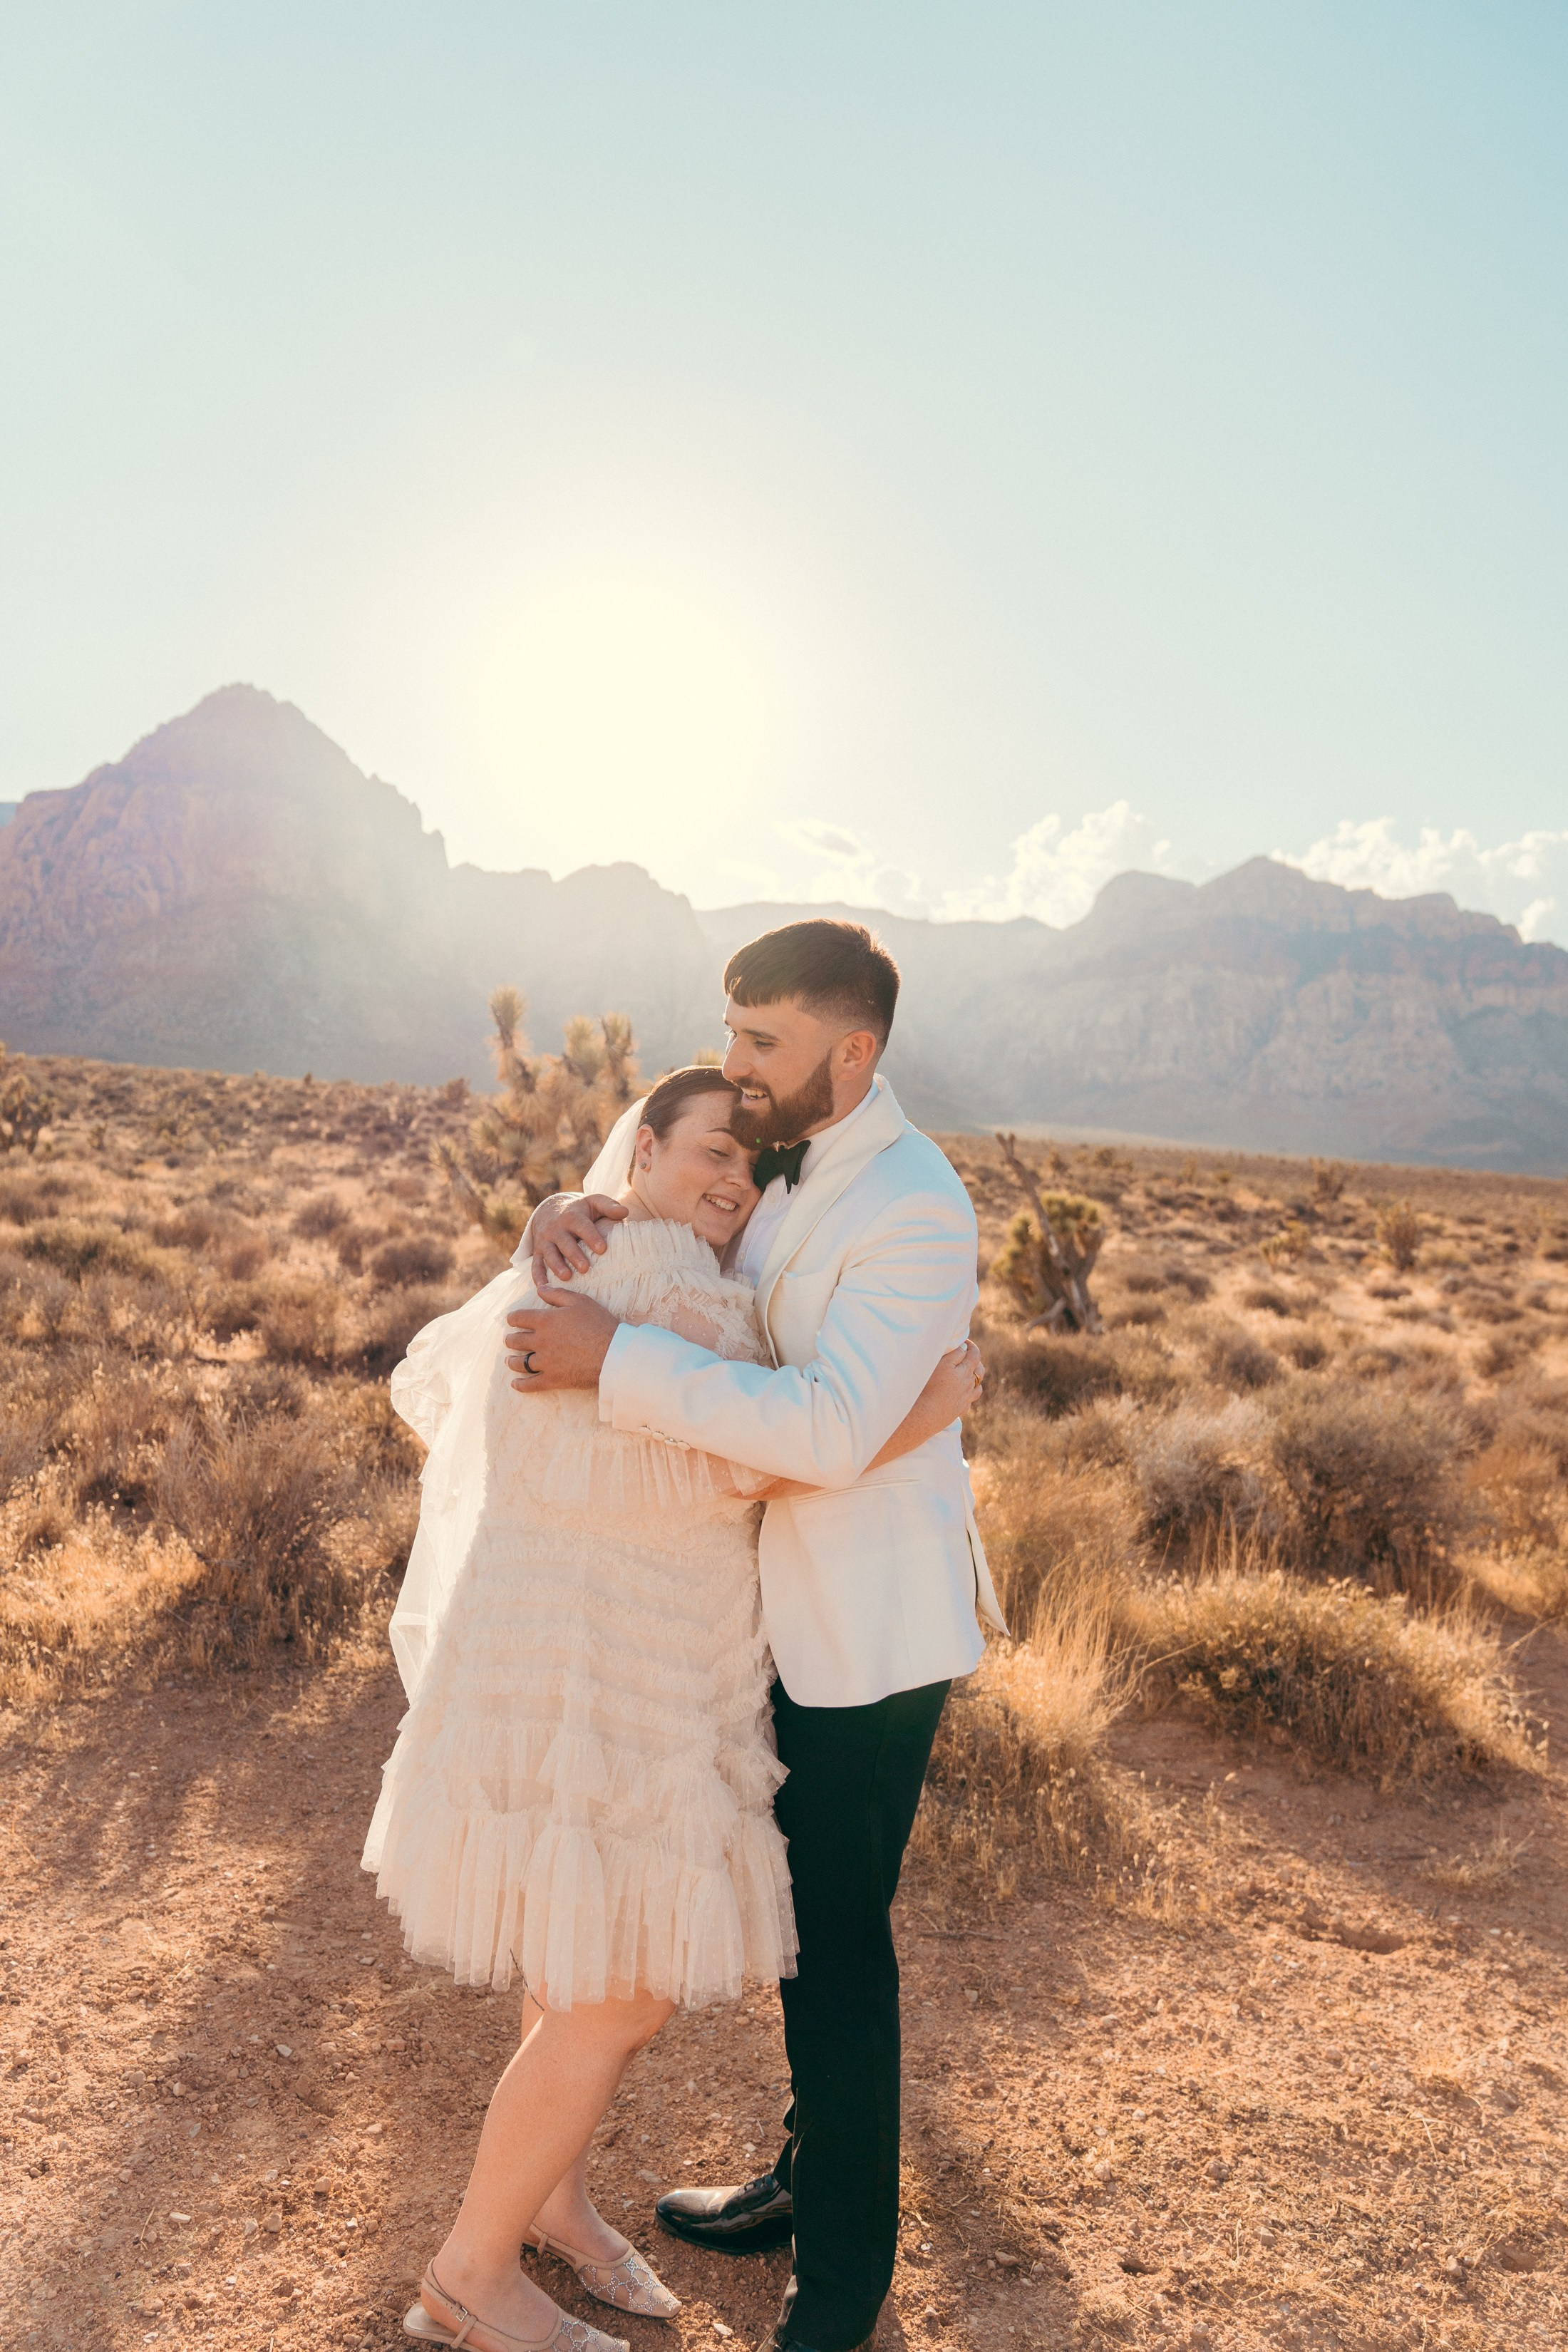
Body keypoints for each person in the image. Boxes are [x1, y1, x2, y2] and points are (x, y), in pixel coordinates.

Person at [364, 1061, 980, 2352]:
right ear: (639, 1151)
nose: (733, 1180)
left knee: (579, 1948)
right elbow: (715, 1467)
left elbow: (709, 1438)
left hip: (636, 1662)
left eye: (748, 1168)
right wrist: (910, 1418)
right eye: (709, 1150)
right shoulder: (621, 1275)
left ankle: (554, 2205)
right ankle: (468, 2279)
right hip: (600, 1672)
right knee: (622, 1991)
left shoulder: (668, 1267)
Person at [507, 919, 1006, 2352]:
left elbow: (830, 1427)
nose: (734, 1070)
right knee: (794, 1934)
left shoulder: (914, 1204)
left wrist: (620, 1363)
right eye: (726, 1038)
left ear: (853, 1051)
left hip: (866, 1629)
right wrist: (568, 1207)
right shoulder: (785, 1149)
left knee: (837, 1947)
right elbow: (672, 1196)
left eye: (761, 1044)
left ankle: (840, 2284)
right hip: (761, 1611)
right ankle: (801, 2175)